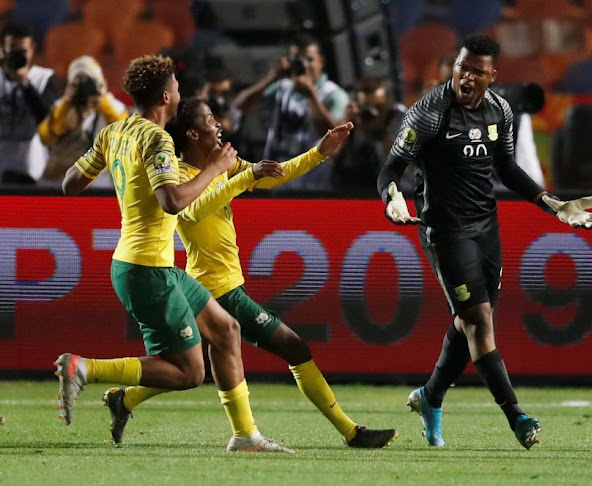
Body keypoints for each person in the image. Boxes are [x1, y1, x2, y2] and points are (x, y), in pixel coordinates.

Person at [101, 97, 398, 448]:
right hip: (215, 289)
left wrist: (320, 152)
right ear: (194, 134)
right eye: (211, 119)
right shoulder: (177, 177)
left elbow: (272, 174)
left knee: (194, 368)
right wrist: (241, 178)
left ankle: (127, 399)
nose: (219, 124)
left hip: (218, 285)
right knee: (293, 347)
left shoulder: (224, 166)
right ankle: (349, 432)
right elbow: (191, 211)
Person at [376, 34, 592, 449]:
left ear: (491, 76)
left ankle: (430, 397)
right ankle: (517, 417)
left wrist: (551, 204)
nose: (466, 77)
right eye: (462, 68)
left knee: (468, 324)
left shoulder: (500, 110)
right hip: (445, 231)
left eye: (477, 72)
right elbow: (391, 167)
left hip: (486, 228)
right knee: (480, 323)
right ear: (456, 66)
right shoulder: (428, 113)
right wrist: (391, 195)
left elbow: (506, 168)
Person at [57, 55, 293, 454]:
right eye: (178, 88)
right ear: (166, 95)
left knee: (226, 331)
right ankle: (85, 368)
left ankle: (245, 436)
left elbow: (70, 183)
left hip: (149, 263)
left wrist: (119, 178)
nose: (180, 93)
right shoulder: (156, 138)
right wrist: (217, 168)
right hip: (147, 269)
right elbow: (172, 200)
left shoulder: (114, 132)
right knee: (188, 373)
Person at [233, 33, 349, 190]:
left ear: (321, 62)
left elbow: (334, 139)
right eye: (298, 60)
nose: (304, 65)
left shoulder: (334, 95)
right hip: (277, 179)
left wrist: (311, 97)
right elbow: (241, 106)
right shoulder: (283, 87)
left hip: (313, 183)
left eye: (309, 59)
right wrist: (271, 77)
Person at [38, 56, 128, 187]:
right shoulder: (60, 106)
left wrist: (102, 103)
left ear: (100, 82)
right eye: (77, 83)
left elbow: (125, 135)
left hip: (97, 182)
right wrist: (66, 105)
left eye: (88, 82)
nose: (83, 88)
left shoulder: (114, 106)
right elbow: (45, 137)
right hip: (59, 179)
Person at [0, 21, 59, 184]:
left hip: (32, 164)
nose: (18, 56)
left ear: (32, 49)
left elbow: (48, 119)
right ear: (2, 50)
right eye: (13, 50)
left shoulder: (45, 78)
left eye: (23, 51)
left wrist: (25, 82)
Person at [331, 77, 406, 190]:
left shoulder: (401, 120)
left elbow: (406, 167)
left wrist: (382, 133)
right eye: (366, 106)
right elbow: (330, 160)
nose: (373, 112)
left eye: (379, 107)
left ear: (389, 104)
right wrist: (346, 126)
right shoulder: (352, 121)